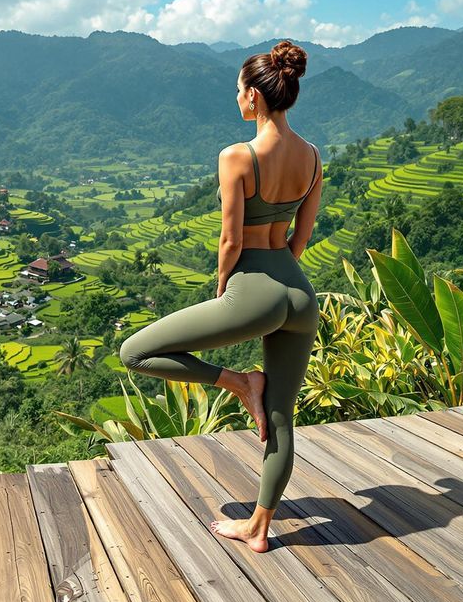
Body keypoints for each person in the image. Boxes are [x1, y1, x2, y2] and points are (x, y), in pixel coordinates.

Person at [118, 39, 322, 553]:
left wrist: (224, 284)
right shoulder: (313, 157)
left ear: (254, 96)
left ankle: (238, 382)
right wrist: (279, 266)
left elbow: (230, 239)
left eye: (238, 90)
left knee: (135, 353)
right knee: (281, 415)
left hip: (253, 289)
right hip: (300, 293)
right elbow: (300, 239)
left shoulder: (238, 156)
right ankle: (260, 528)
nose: (236, 98)